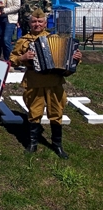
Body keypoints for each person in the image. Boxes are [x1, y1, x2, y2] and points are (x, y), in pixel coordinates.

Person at [10, 9, 82, 159]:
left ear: (44, 23)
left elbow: (68, 56)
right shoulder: (23, 41)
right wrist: (23, 57)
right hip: (34, 81)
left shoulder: (54, 38)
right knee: (34, 112)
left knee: (56, 112)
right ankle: (33, 143)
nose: (37, 24)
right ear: (29, 23)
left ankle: (57, 144)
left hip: (54, 82)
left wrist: (76, 57)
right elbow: (13, 58)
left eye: (40, 21)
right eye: (34, 22)